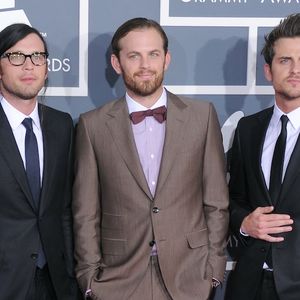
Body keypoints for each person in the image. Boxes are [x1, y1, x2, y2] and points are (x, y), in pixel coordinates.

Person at [72, 17, 229, 300]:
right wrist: (89, 278)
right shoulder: (92, 125)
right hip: (118, 280)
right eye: (134, 56)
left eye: (153, 54)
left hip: (189, 278)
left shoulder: (202, 116)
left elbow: (216, 202)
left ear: (166, 59)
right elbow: (86, 212)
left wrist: (214, 269)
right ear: (117, 63)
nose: (145, 65)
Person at [0, 23, 81, 299]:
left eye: (37, 57)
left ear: (47, 69)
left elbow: (65, 208)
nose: (28, 66)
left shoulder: (62, 125)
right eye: (15, 56)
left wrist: (71, 273)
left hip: (56, 282)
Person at [226, 13, 300, 300]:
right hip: (250, 283)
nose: (295, 70)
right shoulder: (248, 129)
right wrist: (244, 222)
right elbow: (234, 199)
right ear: (268, 70)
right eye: (285, 60)